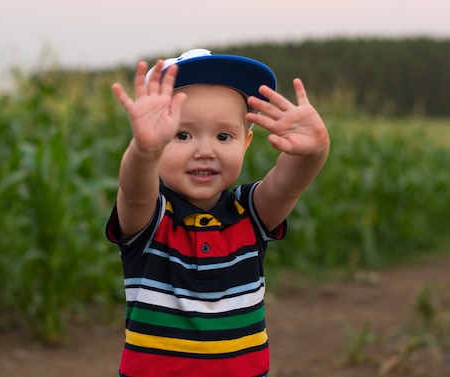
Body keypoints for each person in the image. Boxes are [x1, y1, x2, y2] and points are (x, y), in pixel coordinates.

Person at [105, 48, 329, 377]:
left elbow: (286, 186)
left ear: (246, 142)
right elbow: (134, 192)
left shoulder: (249, 213)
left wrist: (315, 152)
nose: (205, 151)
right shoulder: (153, 217)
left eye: (224, 136)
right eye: (182, 135)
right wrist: (143, 151)